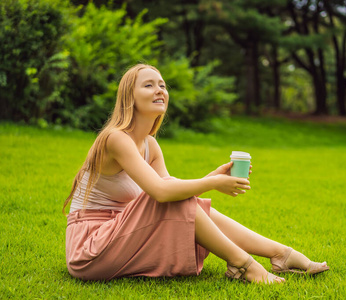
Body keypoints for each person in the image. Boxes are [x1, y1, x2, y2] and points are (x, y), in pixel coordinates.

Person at [63, 64, 329, 284]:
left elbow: (172, 197)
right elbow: (162, 193)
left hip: (118, 231)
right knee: (171, 191)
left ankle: (280, 253)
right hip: (91, 248)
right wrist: (213, 182)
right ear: (129, 97)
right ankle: (245, 265)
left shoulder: (150, 145)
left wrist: (211, 176)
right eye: (149, 85)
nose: (160, 90)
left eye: (163, 85)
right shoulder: (116, 139)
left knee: (182, 197)